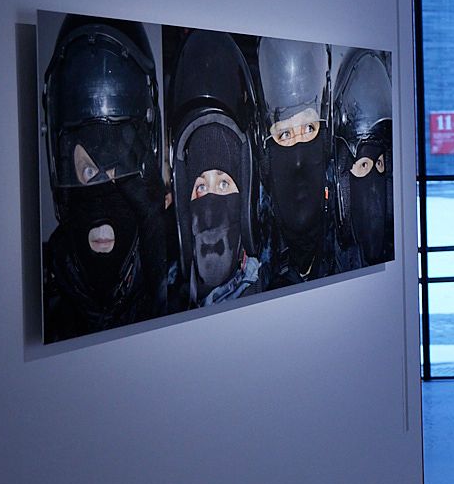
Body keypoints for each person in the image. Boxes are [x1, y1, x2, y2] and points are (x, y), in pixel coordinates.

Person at [40, 17, 173, 340]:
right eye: (88, 171)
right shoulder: (39, 300)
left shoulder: (178, 278)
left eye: (117, 169)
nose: (102, 191)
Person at [166, 28, 264, 306]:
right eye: (200, 186)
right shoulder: (168, 305)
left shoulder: (268, 296)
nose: (209, 207)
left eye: (223, 183)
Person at [258, 37, 337, 286]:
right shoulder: (257, 272)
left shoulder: (346, 251)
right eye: (284, 134)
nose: (299, 160)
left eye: (309, 128)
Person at [332, 47, 395, 269]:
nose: (374, 181)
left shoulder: (397, 255)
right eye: (364, 164)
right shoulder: (331, 266)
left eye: (379, 164)